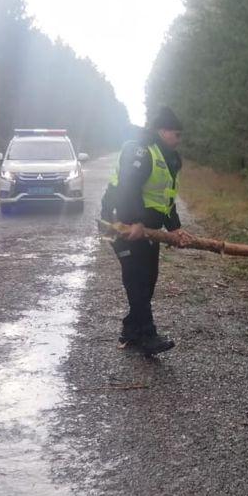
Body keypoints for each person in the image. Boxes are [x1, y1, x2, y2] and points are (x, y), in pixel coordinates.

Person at [106, 107, 192, 355]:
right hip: (122, 225)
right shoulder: (141, 151)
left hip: (149, 231)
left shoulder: (171, 159)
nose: (179, 139)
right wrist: (134, 221)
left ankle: (130, 331)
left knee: (149, 281)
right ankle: (149, 336)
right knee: (136, 281)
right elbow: (127, 189)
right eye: (176, 134)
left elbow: (167, 199)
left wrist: (175, 229)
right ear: (162, 132)